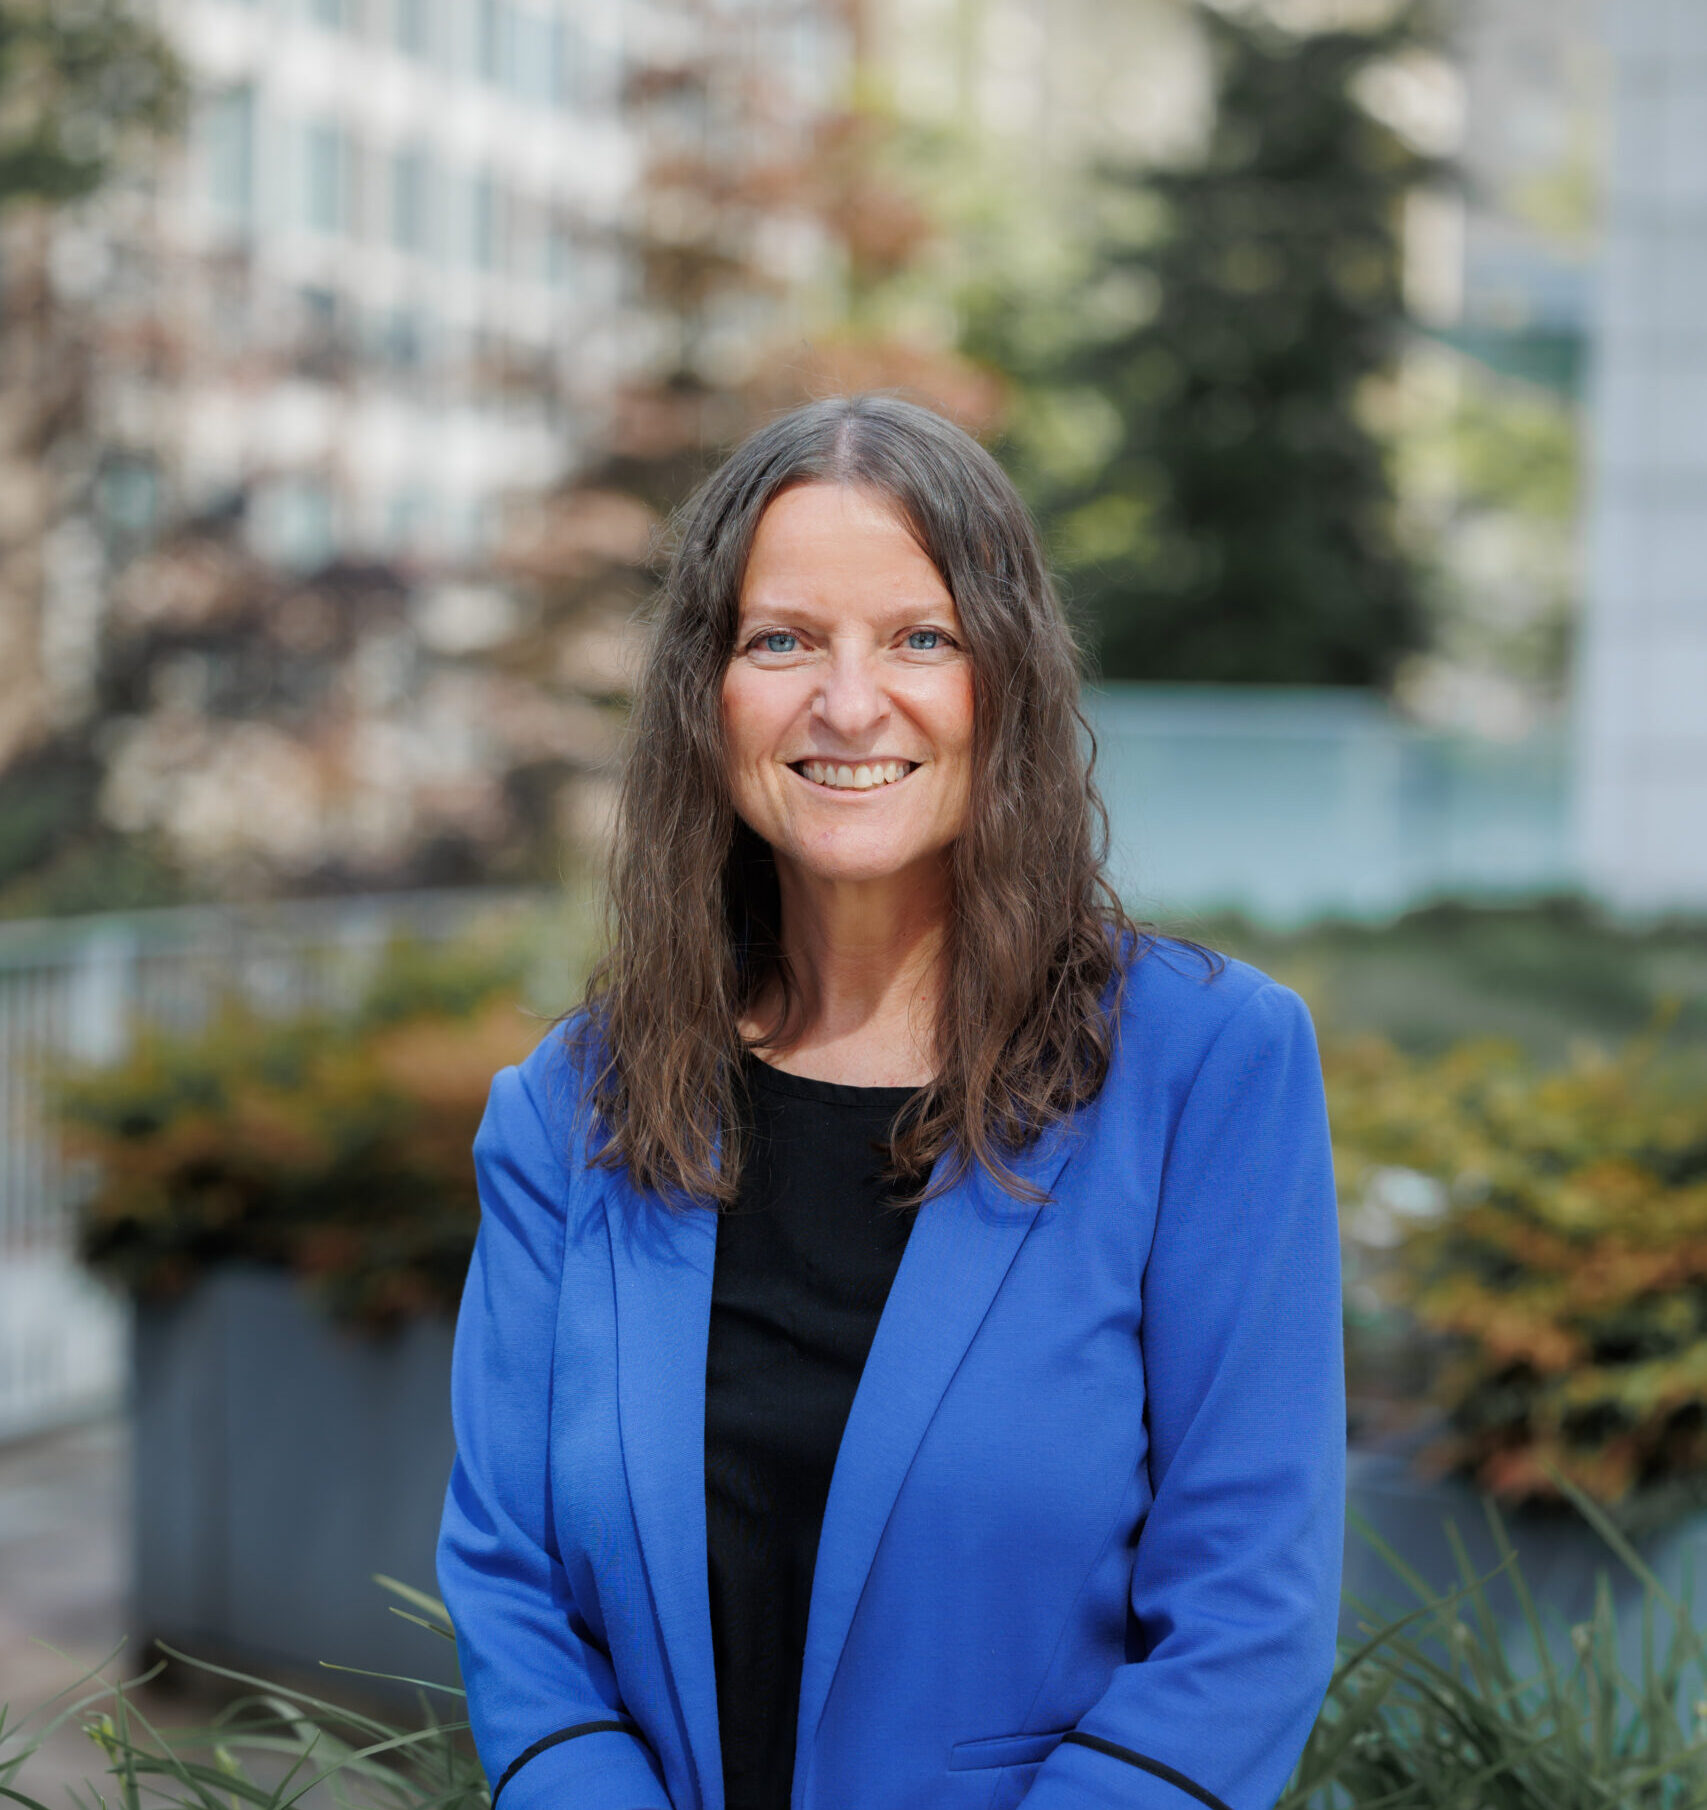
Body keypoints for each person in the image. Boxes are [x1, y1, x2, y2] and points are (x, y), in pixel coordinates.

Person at [436, 393, 1346, 1810]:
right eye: (783, 638)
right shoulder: (568, 1109)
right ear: (708, 692)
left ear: (1010, 681)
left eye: (922, 636)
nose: (849, 703)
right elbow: (510, 1581)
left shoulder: (1209, 1067)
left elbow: (1248, 1611)